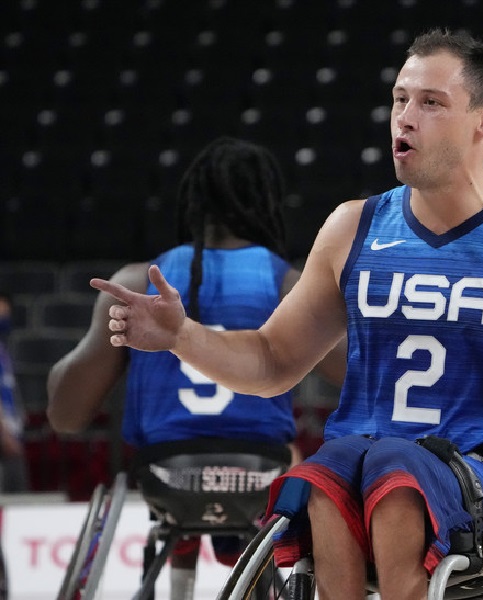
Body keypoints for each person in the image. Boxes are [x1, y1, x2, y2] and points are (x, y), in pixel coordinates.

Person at [87, 29, 483, 599]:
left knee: (394, 470)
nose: (405, 117)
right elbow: (274, 359)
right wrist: (182, 336)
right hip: (365, 466)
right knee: (331, 468)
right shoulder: (354, 226)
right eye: (400, 99)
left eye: (430, 102)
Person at [46, 136, 344, 600]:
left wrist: (89, 342)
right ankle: (264, 577)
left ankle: (180, 583)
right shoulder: (288, 283)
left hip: (167, 479)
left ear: (192, 204)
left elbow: (65, 417)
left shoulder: (135, 283)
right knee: (295, 456)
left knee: (176, 453)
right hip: (259, 478)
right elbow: (354, 377)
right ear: (268, 203)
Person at [0, 291, 28, 493]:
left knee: (17, 495)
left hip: (11, 434)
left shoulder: (3, 350)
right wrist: (4, 433)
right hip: (4, 437)